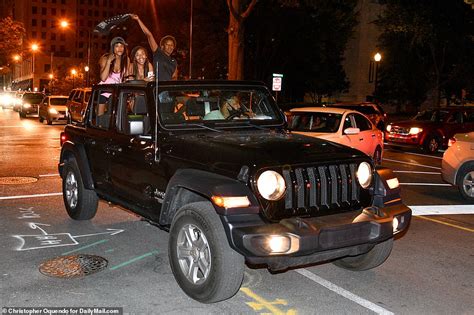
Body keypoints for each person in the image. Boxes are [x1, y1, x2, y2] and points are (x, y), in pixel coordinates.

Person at [132, 15, 178, 81]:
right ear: (162, 46)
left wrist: (171, 87)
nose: (170, 47)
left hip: (167, 89)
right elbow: (149, 35)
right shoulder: (158, 53)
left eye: (172, 45)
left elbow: (174, 77)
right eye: (167, 44)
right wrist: (138, 20)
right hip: (157, 88)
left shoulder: (174, 61)